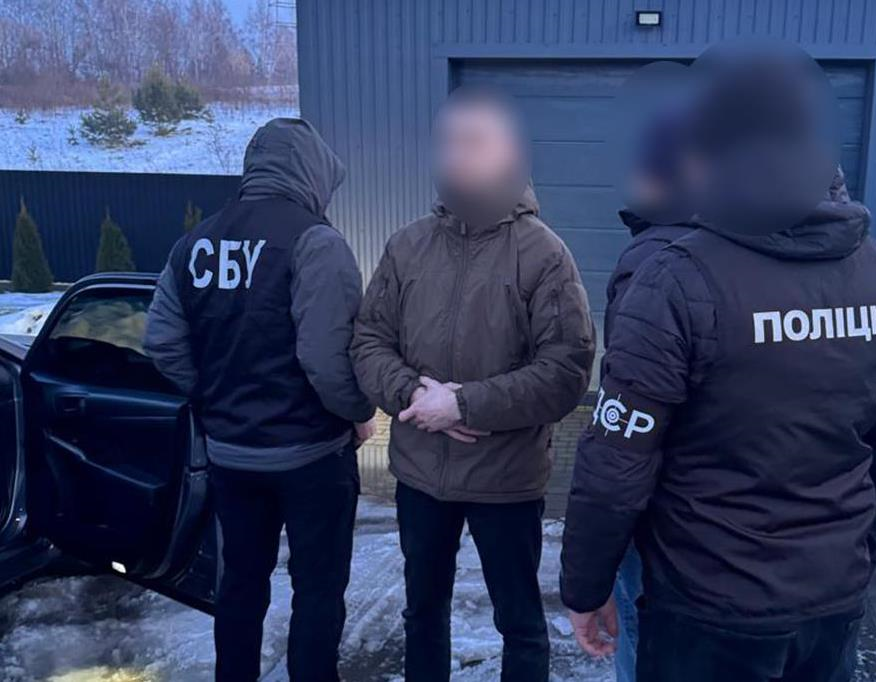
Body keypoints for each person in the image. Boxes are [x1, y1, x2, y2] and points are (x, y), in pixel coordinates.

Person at [561, 44, 876, 682]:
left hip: (707, 609)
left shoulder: (677, 278)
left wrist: (585, 587)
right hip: (830, 604)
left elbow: (616, 463)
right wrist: (855, 560)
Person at [350, 87, 595, 682]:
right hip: (420, 476)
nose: (459, 156)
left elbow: (567, 370)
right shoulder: (408, 246)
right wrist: (414, 395)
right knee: (422, 614)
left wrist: (465, 404)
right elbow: (368, 340)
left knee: (520, 623)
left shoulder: (544, 255)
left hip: (505, 480)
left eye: (475, 142)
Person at [144, 118, 376, 682]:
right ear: (310, 173)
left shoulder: (194, 244)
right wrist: (359, 412)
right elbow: (325, 359)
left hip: (232, 459)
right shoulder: (316, 242)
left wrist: (212, 396)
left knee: (240, 586)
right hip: (311, 458)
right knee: (318, 589)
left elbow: (162, 343)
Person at [605, 107, 698, 682]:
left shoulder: (650, 261)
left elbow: (627, 415)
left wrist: (589, 565)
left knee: (641, 633)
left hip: (663, 512)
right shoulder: (754, 246)